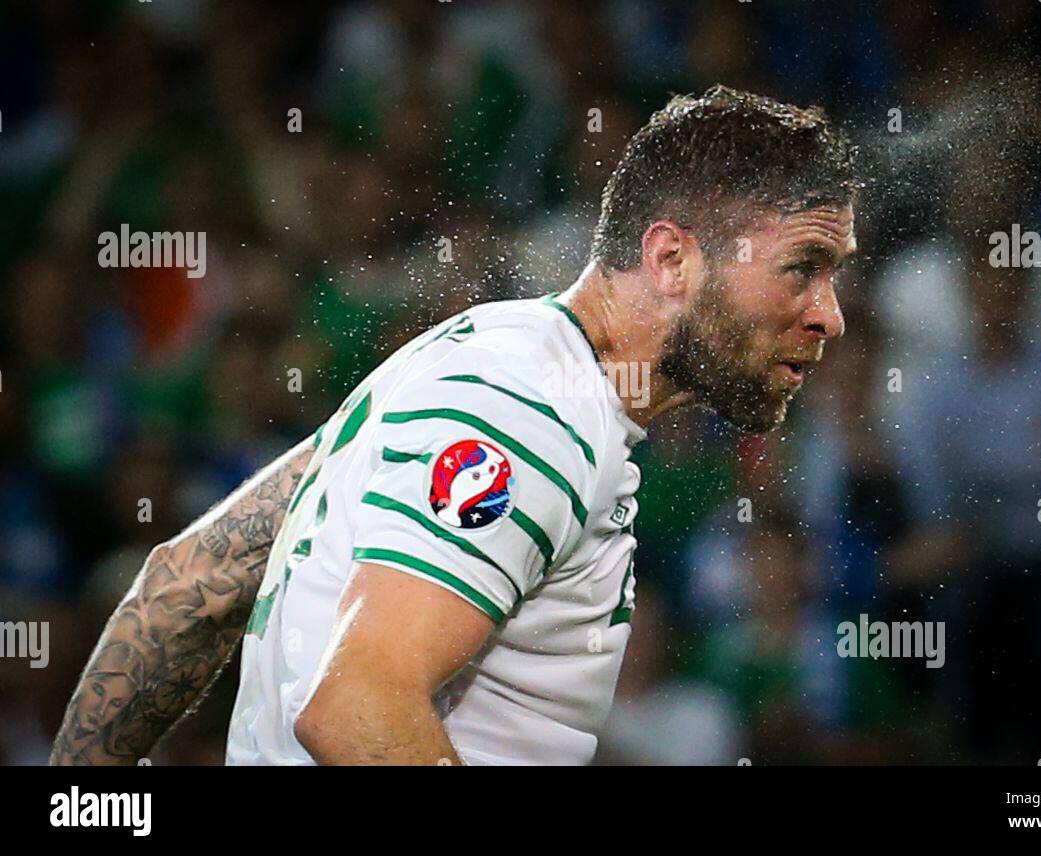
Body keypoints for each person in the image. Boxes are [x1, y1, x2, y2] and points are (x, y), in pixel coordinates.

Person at [52, 85, 859, 765]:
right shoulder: (538, 412)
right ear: (671, 258)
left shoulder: (482, 356)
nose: (829, 316)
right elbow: (357, 705)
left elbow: (186, 587)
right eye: (802, 267)